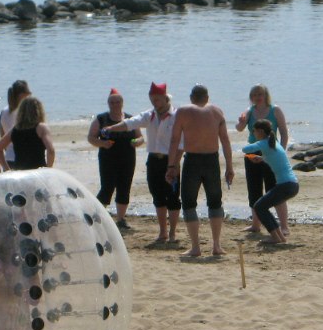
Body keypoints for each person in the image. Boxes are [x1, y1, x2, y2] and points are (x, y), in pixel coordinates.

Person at [104, 82, 181, 248]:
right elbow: (130, 123)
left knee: (173, 197)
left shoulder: (176, 116)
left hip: (171, 160)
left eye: (157, 99)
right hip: (153, 160)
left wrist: (174, 165)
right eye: (152, 99)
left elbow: (181, 143)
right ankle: (163, 232)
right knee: (157, 196)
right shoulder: (149, 115)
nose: (154, 103)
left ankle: (173, 233)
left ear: (165, 98)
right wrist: (111, 128)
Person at [167, 84, 234, 259]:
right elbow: (225, 140)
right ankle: (216, 245)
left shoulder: (183, 111)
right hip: (212, 160)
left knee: (189, 203)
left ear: (191, 98)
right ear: (207, 97)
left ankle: (195, 247)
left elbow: (175, 140)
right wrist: (229, 166)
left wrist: (171, 166)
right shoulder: (217, 112)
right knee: (215, 202)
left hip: (193, 160)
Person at [235, 84, 290, 236]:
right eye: (254, 95)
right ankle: (255, 225)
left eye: (260, 94)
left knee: (275, 190)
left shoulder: (275, 110)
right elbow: (239, 128)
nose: (257, 97)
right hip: (253, 152)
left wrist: (281, 151)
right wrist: (241, 122)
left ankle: (284, 226)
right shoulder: (249, 111)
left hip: (271, 151)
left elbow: (284, 133)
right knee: (254, 189)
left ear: (266, 95)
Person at [240, 119, 299, 248]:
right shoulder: (274, 143)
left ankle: (275, 237)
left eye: (254, 131)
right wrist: (261, 158)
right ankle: (280, 237)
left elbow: (245, 149)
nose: (253, 133)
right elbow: (274, 158)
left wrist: (257, 145)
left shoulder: (264, 143)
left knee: (259, 207)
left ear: (260, 131)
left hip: (286, 185)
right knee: (262, 206)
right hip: (292, 184)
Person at [88, 88, 137, 232]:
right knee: (107, 187)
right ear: (108, 104)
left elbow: (140, 137)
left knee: (124, 187)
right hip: (108, 158)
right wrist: (102, 143)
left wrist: (136, 142)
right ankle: (95, 216)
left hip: (128, 158)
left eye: (117, 102)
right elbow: (91, 137)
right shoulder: (101, 119)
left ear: (122, 103)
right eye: (112, 102)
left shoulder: (130, 119)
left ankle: (121, 219)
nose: (115, 105)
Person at [0, 96, 54, 170]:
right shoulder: (41, 128)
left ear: (21, 112)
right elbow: (51, 151)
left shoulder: (15, 129)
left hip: (20, 173)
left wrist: (6, 169)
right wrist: (48, 169)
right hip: (37, 172)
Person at [0, 80, 30, 168]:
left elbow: (2, 135)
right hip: (23, 158)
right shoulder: (25, 112)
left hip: (9, 157)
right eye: (28, 95)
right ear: (22, 95)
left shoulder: (3, 112)